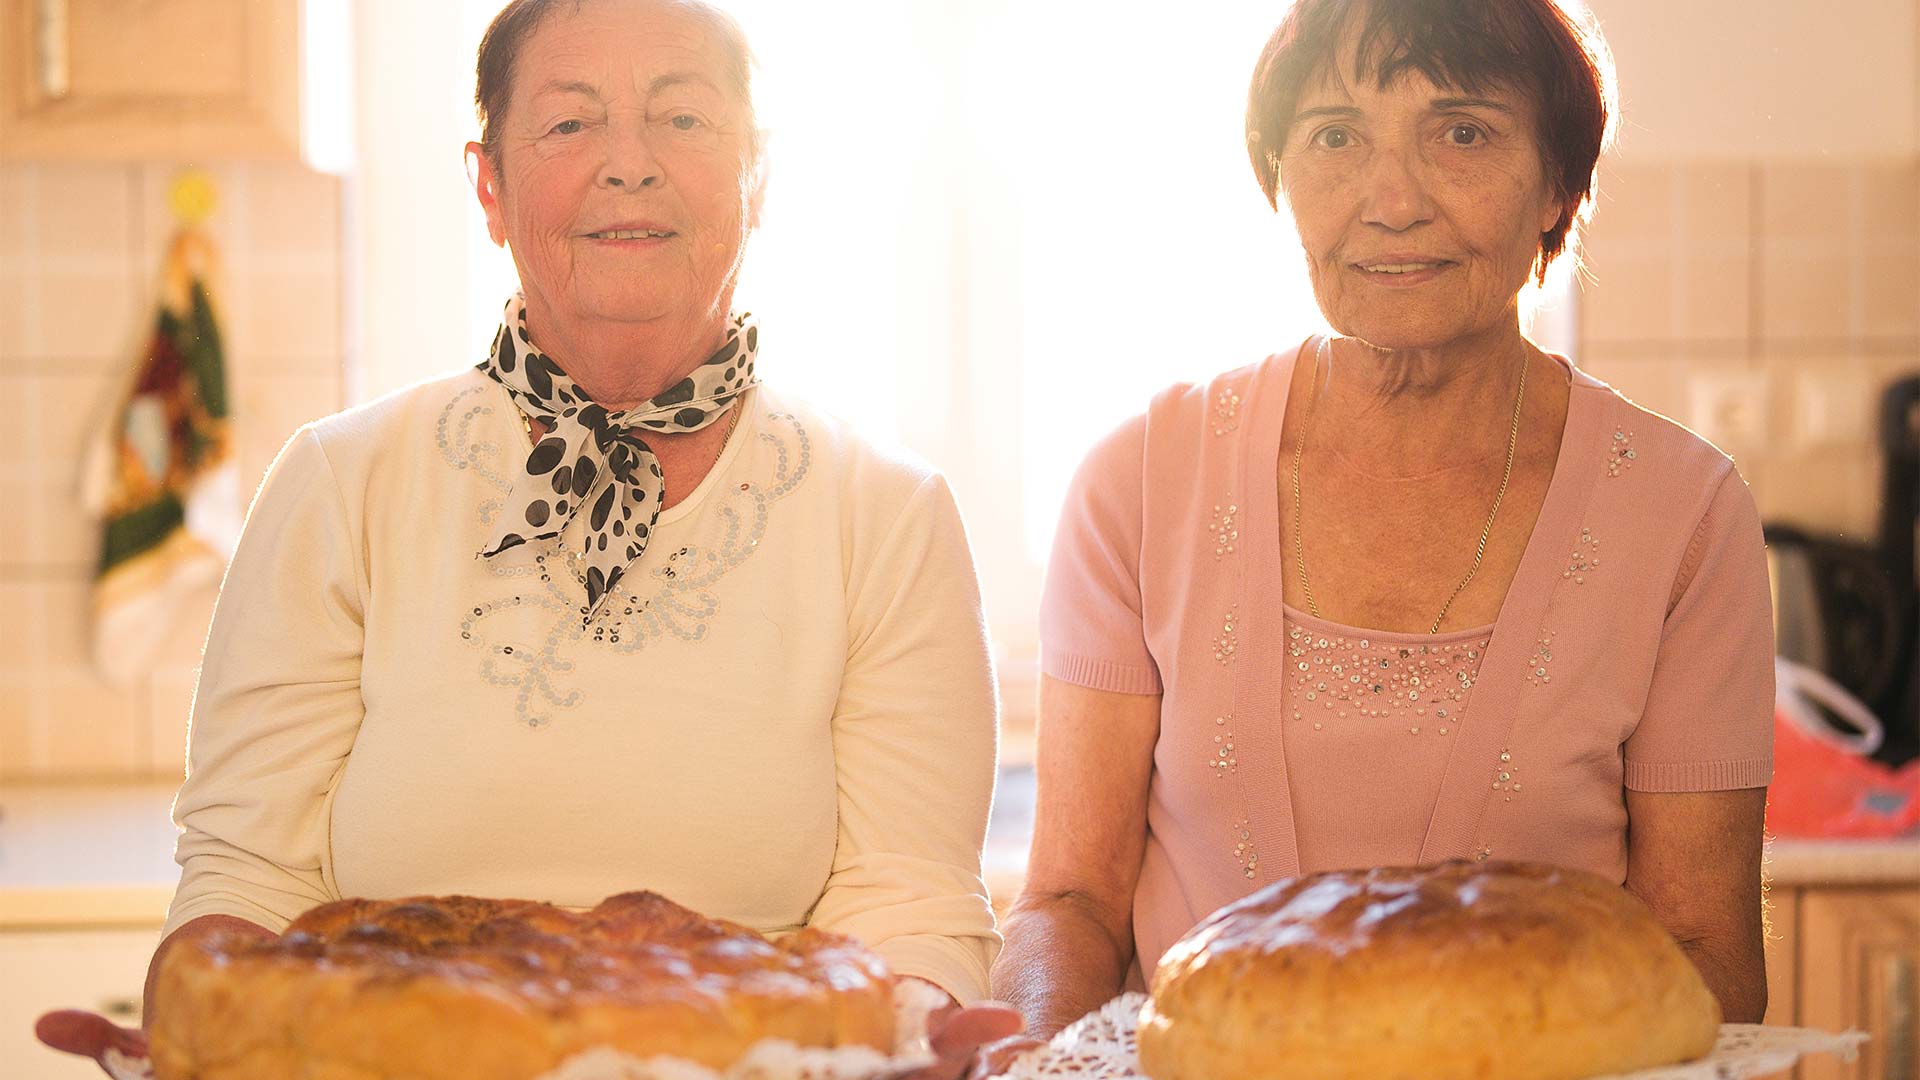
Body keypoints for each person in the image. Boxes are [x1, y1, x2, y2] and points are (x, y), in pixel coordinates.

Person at [39, 1, 1018, 1075]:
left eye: (682, 119)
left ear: (762, 174)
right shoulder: (341, 485)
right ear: (488, 186)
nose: (629, 166)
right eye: (569, 125)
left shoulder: (885, 516)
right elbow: (249, 878)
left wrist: (915, 1029)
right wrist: (204, 1020)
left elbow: (907, 902)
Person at [992, 0, 1773, 1047]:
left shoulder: (1682, 513)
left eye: (1463, 132)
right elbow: (1071, 903)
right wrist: (1042, 1062)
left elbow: (1704, 954)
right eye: (1334, 137)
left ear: (1556, 185)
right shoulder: (1138, 481)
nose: (1393, 201)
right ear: (1280, 176)